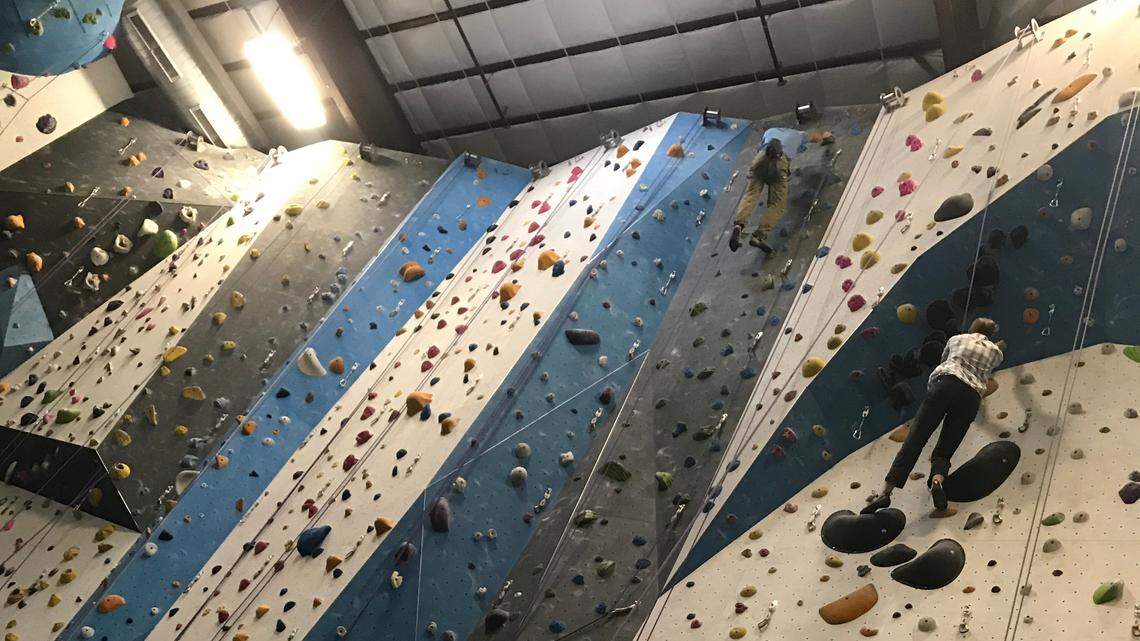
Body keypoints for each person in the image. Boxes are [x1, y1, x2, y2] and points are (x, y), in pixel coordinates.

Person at [865, 318, 1005, 514]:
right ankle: (937, 481)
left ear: (973, 327)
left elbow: (944, 361)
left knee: (916, 438)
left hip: (946, 385)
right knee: (946, 448)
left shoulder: (957, 339)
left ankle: (885, 493)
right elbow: (993, 362)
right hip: (971, 397)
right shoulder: (996, 352)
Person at [730, 137, 792, 257]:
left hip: (758, 164)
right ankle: (759, 235)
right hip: (778, 170)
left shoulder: (768, 138)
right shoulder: (790, 146)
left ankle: (739, 224)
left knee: (751, 195)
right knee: (777, 204)